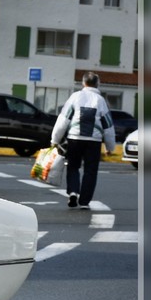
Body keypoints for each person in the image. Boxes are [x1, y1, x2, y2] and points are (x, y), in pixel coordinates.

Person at [51, 72, 116, 209]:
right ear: (97, 84)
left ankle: (73, 192)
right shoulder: (100, 101)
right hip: (94, 141)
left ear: (83, 83)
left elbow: (63, 119)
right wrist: (110, 146)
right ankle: (84, 201)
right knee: (90, 171)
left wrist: (55, 139)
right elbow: (108, 125)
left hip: (74, 139)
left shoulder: (75, 97)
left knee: (73, 167)